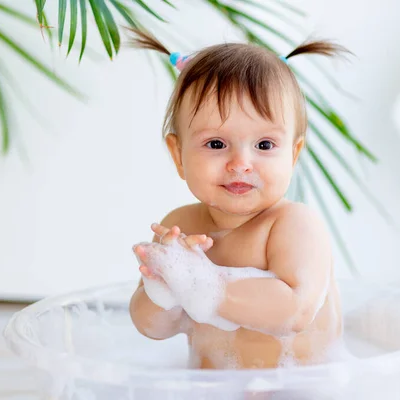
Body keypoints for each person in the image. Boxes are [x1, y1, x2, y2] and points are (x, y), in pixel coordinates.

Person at [128, 27, 349, 369]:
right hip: (213, 386)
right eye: (216, 144)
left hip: (298, 387)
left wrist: (205, 287)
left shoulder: (293, 225)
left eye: (264, 145)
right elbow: (151, 327)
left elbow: (295, 310)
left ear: (293, 155)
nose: (241, 164)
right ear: (179, 156)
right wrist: (161, 285)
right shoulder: (181, 226)